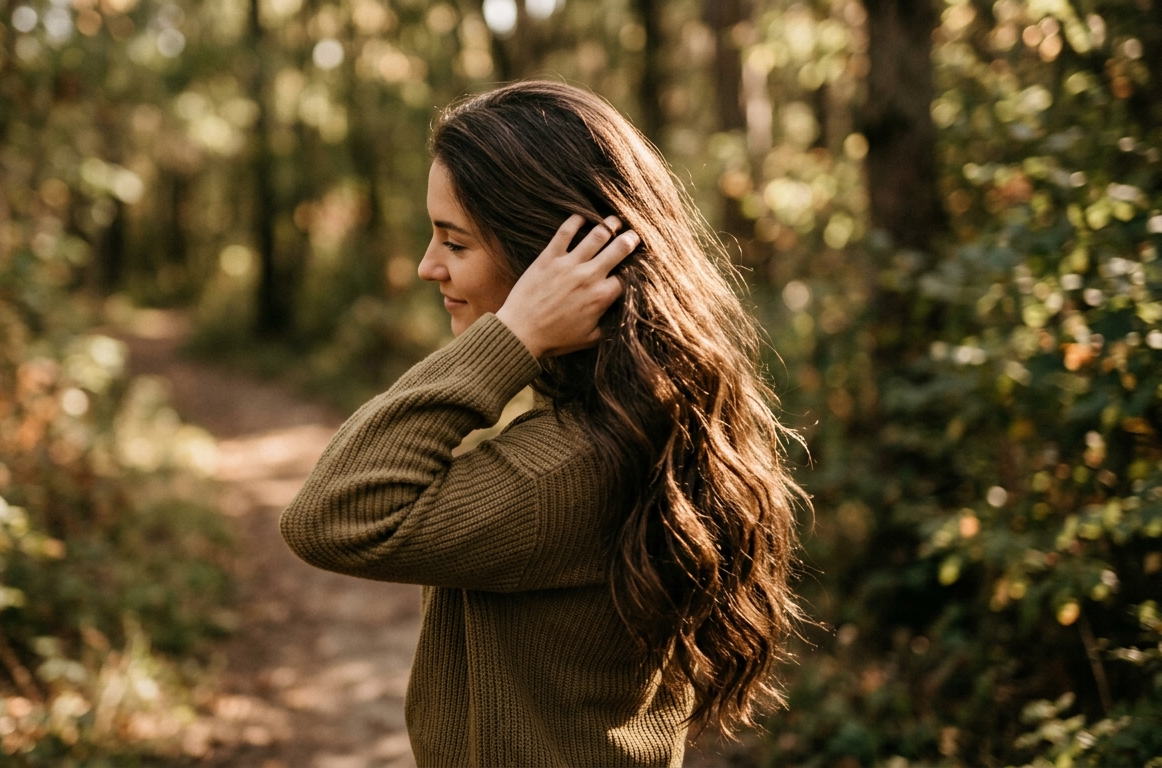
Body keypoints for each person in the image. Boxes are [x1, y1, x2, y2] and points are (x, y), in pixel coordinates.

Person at [280, 80, 805, 768]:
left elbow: (329, 514)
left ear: (545, 259)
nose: (426, 265)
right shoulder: (648, 411)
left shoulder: (564, 468)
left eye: (454, 242)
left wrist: (510, 336)